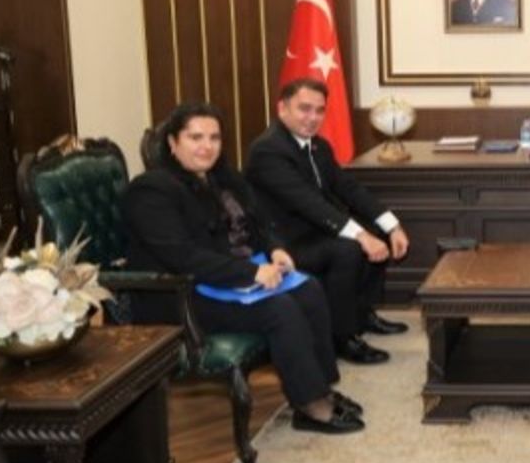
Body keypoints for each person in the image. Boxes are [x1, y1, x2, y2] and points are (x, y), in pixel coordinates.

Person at [123, 102, 364, 434]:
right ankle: (311, 407)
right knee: (279, 308)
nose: (206, 146)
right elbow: (182, 256)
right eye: (195, 137)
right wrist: (250, 274)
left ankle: (321, 388)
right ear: (173, 142)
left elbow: (259, 223)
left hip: (225, 278)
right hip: (183, 294)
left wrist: (275, 249)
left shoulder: (222, 177)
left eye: (214, 138)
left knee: (308, 289)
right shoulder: (151, 189)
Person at [245, 78, 410, 366]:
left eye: (319, 110)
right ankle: (341, 337)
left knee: (377, 232)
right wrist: (360, 236)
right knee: (349, 248)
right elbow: (309, 204)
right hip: (284, 244)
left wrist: (391, 225)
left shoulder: (318, 145)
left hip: (316, 231)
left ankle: (361, 314)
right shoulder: (268, 150)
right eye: (304, 108)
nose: (313, 118)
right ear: (282, 109)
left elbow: (347, 187)